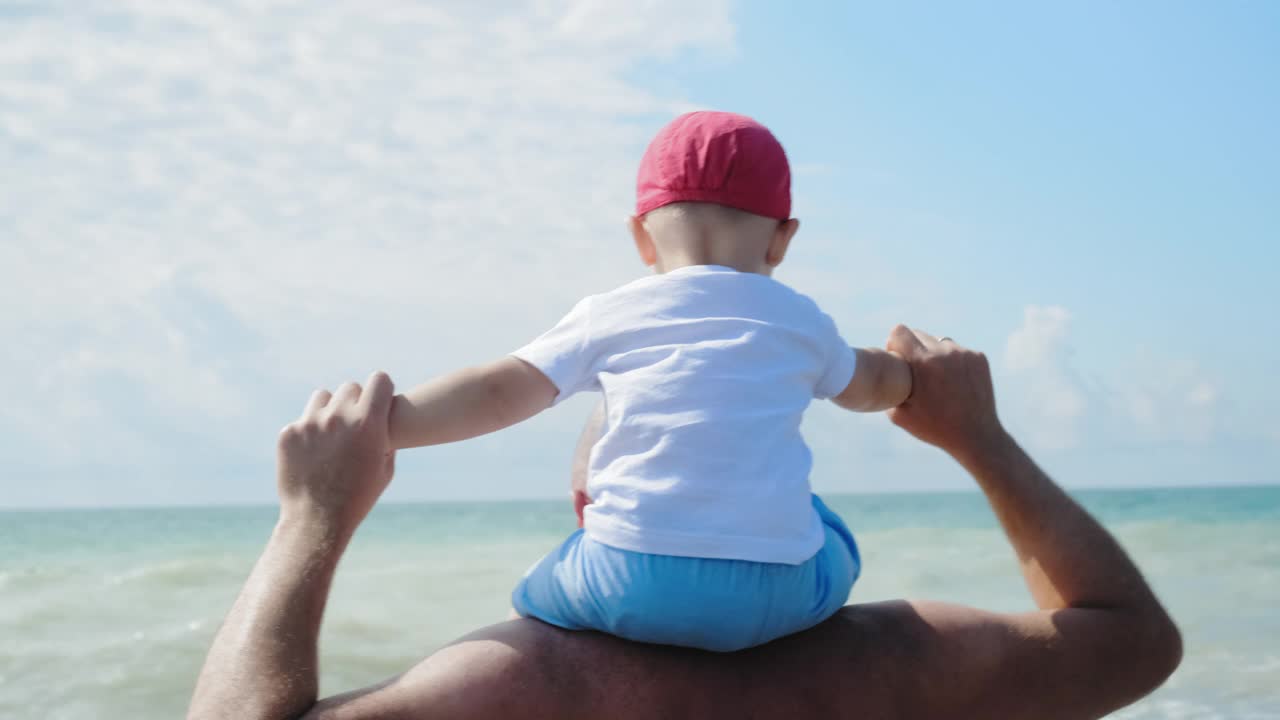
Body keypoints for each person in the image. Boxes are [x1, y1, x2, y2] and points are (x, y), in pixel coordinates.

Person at [188, 327, 1182, 719]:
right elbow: (1131, 641)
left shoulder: (519, 685)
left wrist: (312, 516)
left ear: (591, 517)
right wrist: (979, 442)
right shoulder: (904, 660)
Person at [386, 111, 912, 652]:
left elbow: (498, 391)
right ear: (783, 239)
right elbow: (869, 384)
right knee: (830, 532)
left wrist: (386, 425)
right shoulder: (803, 321)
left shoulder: (612, 313)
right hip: (779, 595)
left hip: (630, 582)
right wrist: (911, 369)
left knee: (531, 594)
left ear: (641, 237)